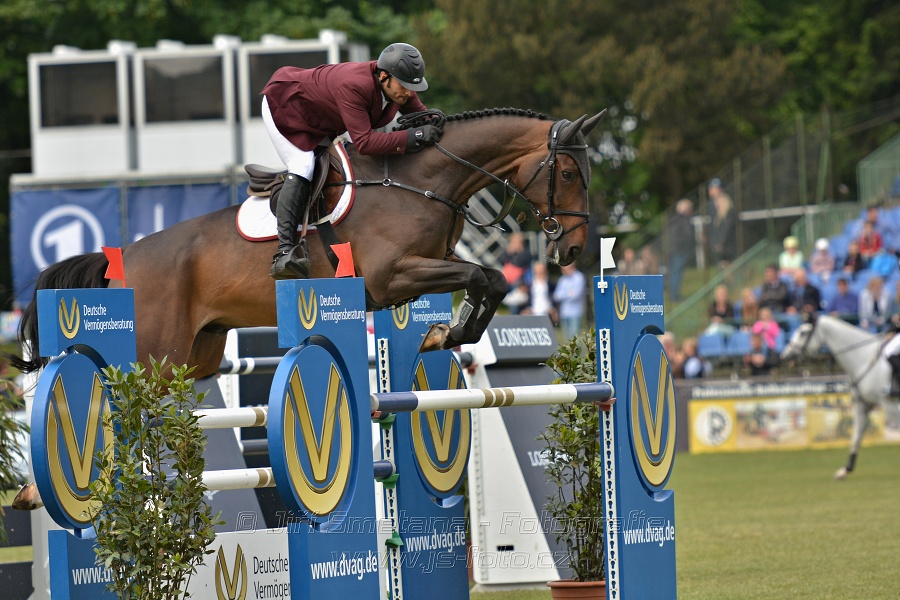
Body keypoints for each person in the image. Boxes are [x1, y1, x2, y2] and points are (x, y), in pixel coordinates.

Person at [261, 43, 441, 279]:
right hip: (285, 107)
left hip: (324, 117)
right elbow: (365, 143)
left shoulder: (398, 84)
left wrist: (439, 125)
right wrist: (413, 136)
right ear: (384, 76)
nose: (408, 93)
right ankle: (284, 252)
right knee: (303, 165)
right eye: (405, 86)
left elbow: (422, 119)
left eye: (412, 87)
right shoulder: (355, 85)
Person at [667, 198, 695, 301]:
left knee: (677, 272)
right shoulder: (677, 220)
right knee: (676, 272)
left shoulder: (681, 220)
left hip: (680, 250)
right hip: (678, 251)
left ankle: (675, 294)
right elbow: (677, 237)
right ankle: (674, 296)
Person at [707, 179, 737, 268]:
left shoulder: (727, 208)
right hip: (718, 245)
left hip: (726, 246)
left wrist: (720, 242)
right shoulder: (711, 206)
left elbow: (726, 227)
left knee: (727, 268)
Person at [553, 263, 586, 340]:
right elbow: (556, 296)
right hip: (564, 312)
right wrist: (568, 293)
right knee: (566, 337)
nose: (563, 271)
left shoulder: (579, 277)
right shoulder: (562, 279)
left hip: (575, 312)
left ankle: (577, 352)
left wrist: (564, 294)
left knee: (575, 337)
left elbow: (576, 295)